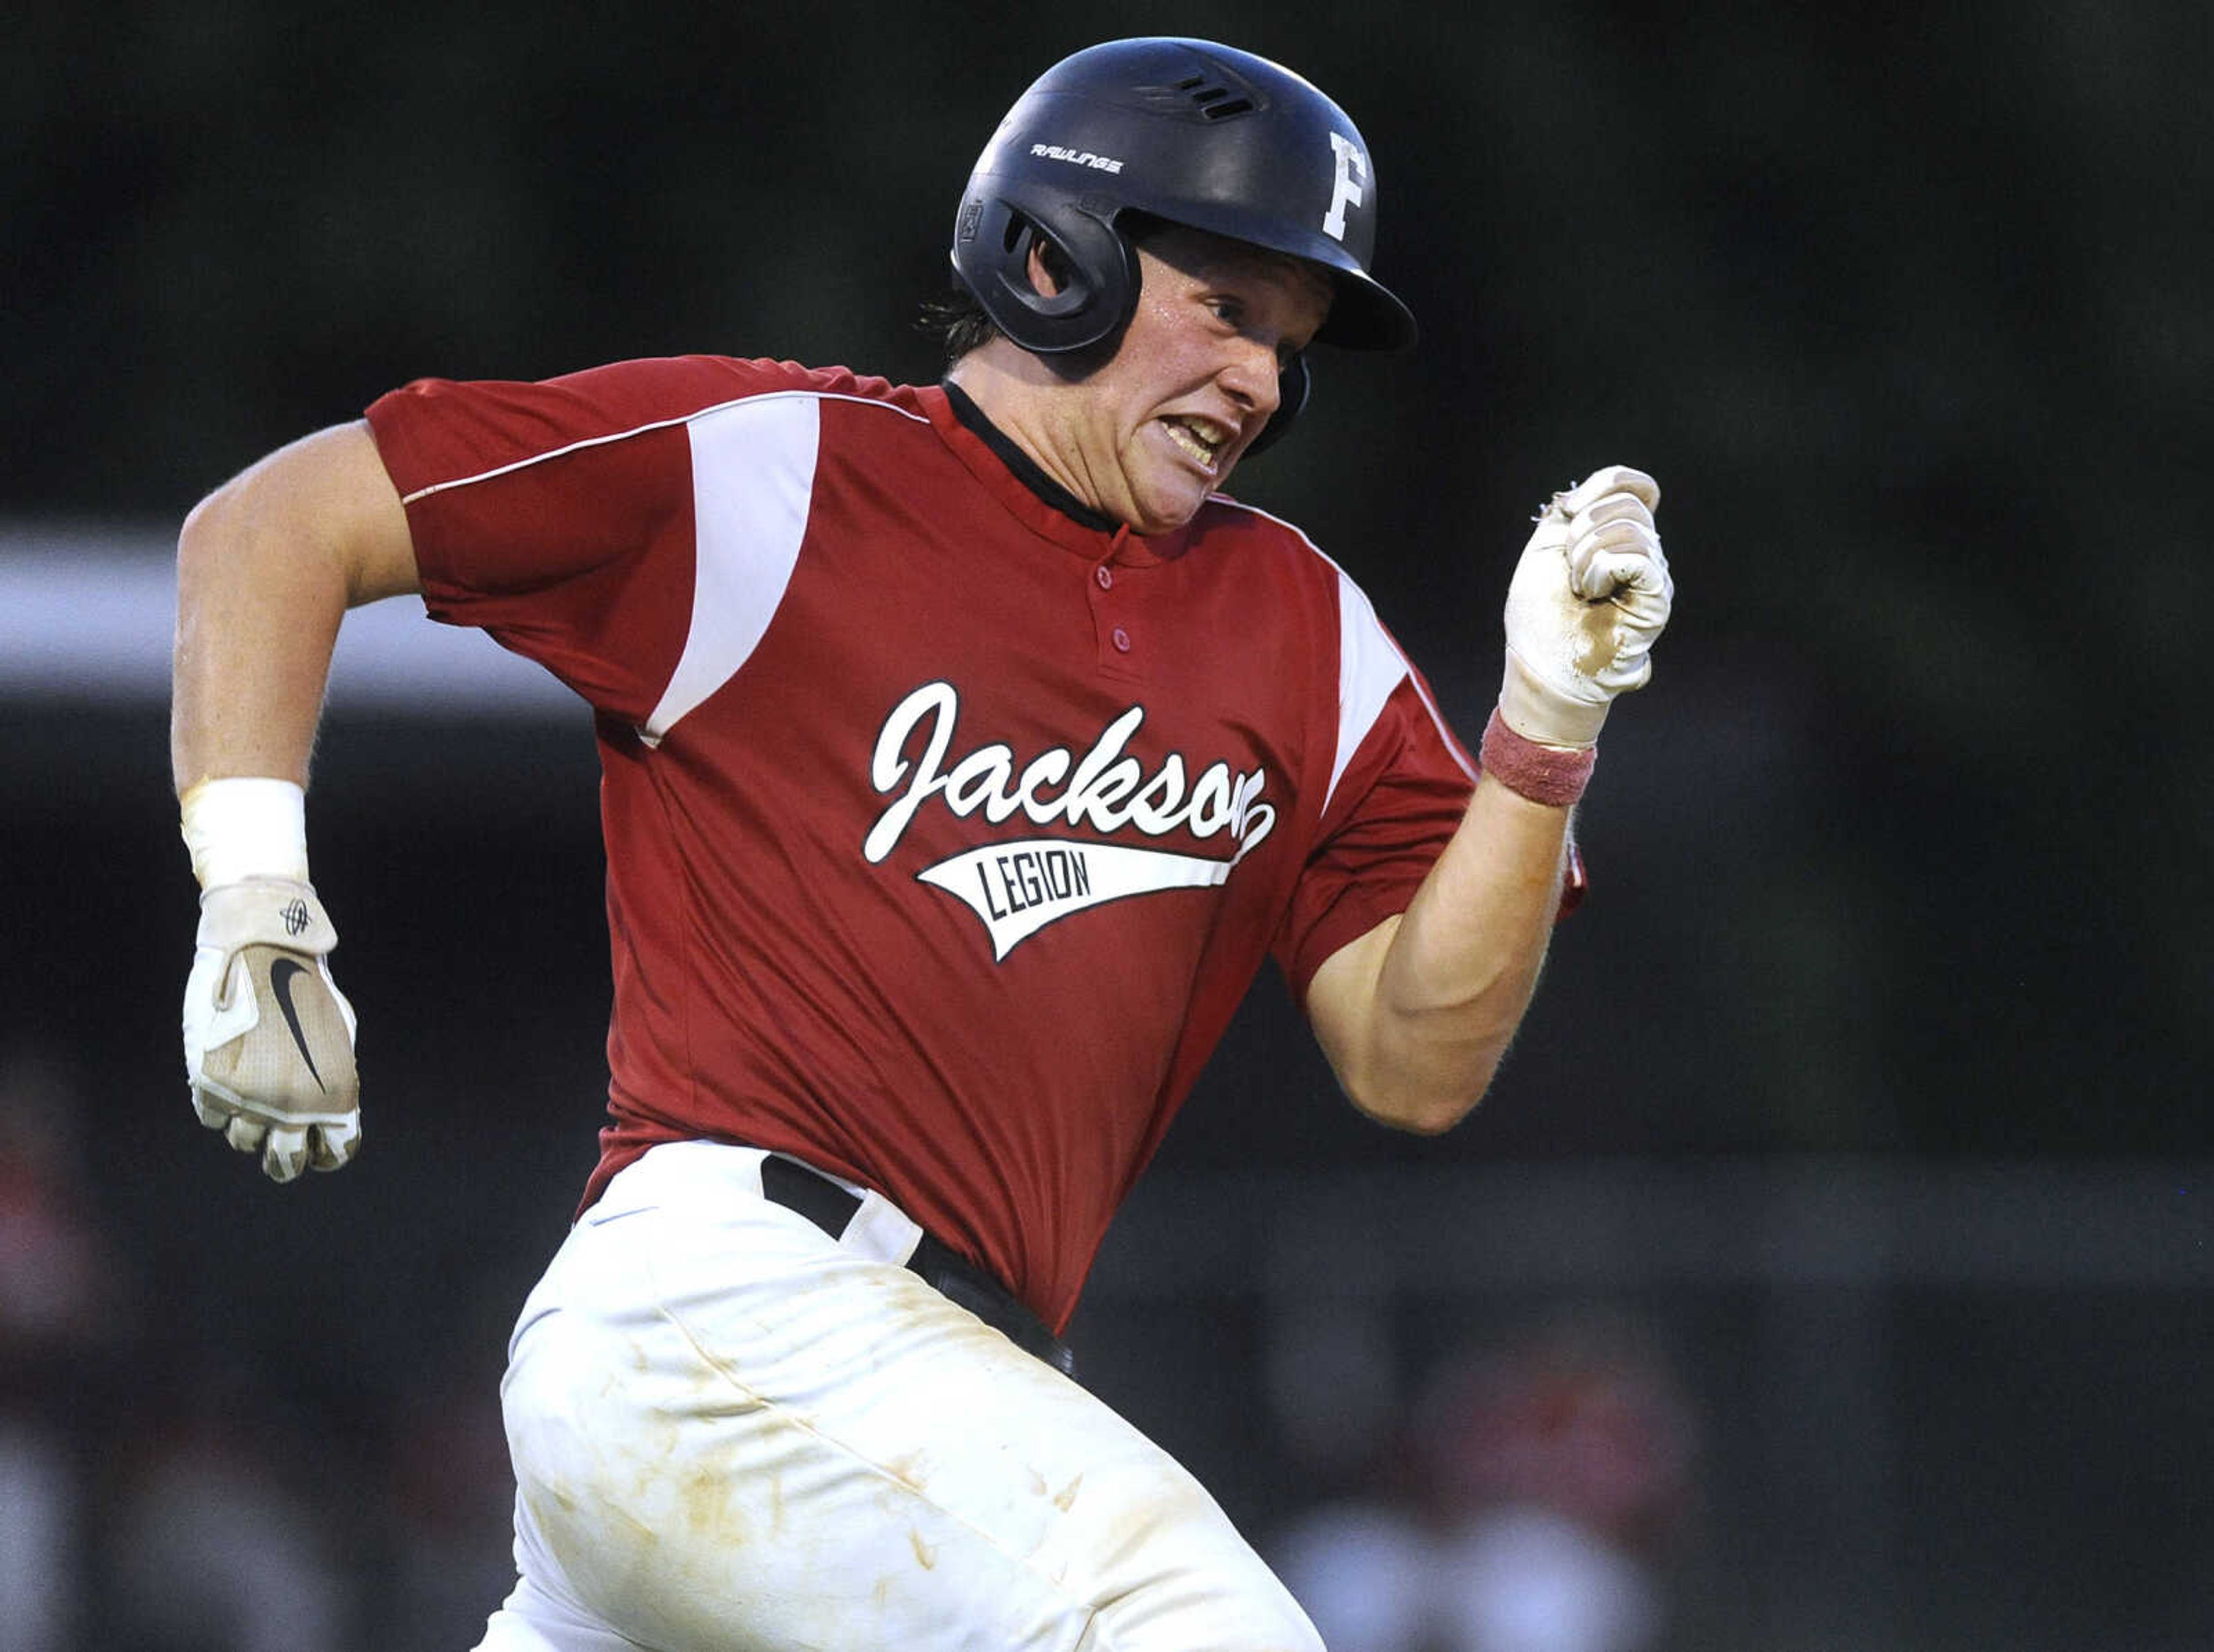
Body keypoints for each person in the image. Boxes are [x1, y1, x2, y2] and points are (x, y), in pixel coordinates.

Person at [170, 36, 1672, 1652]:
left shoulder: (1295, 624)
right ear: (1051, 255)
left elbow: (1415, 1056)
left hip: (907, 1434)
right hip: (731, 1318)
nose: (1259, 379)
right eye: (1228, 307)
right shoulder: (785, 471)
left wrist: (1542, 730)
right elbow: (277, 524)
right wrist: (255, 891)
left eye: (1289, 347)